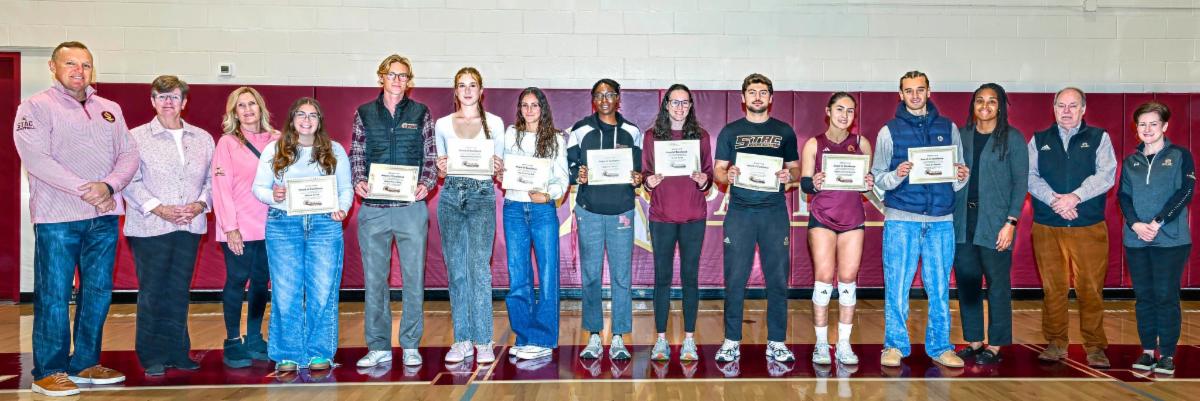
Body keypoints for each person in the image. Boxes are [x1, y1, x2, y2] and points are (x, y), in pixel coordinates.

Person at [14, 41, 137, 397]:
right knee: (54, 294)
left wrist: (110, 186)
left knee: (97, 293)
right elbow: (36, 159)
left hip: (104, 216)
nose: (79, 70)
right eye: (70, 63)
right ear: (52, 67)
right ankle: (49, 371)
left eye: (85, 64)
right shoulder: (35, 107)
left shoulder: (110, 109)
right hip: (58, 218)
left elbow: (129, 154)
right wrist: (88, 188)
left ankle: (84, 363)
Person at [871, 70, 969, 368]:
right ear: (900, 94)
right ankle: (894, 345)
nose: (915, 95)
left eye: (920, 89)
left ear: (929, 91)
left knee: (939, 287)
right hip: (902, 219)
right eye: (908, 90)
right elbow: (877, 178)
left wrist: (961, 177)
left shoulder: (948, 127)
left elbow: (957, 173)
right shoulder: (888, 131)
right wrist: (897, 175)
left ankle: (940, 346)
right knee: (897, 285)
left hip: (941, 221)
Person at [252, 97, 353, 373]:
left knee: (322, 291)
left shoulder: (334, 151)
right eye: (301, 115)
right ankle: (288, 353)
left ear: (320, 121)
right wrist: (273, 195)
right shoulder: (276, 149)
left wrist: (342, 209)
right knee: (286, 292)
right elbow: (258, 188)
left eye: (313, 115)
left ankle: (320, 352)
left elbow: (346, 189)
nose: (306, 120)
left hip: (324, 225)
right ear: (292, 119)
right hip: (284, 224)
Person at [123, 75, 214, 376]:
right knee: (153, 290)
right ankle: (151, 355)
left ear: (184, 102)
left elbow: (213, 181)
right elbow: (128, 182)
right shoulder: (135, 137)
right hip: (150, 227)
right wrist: (161, 209)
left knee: (178, 290)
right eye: (161, 97)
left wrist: (200, 204)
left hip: (189, 226)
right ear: (152, 101)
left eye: (174, 96)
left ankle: (178, 351)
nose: (167, 102)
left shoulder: (202, 138)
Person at [351, 55, 438, 369]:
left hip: (411, 210)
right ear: (381, 78)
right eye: (392, 75)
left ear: (409, 81)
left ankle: (411, 344)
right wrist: (358, 180)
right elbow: (357, 153)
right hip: (373, 210)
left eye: (403, 76)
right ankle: (378, 346)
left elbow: (430, 155)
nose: (397, 80)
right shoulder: (364, 113)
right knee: (375, 281)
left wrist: (427, 183)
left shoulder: (420, 113)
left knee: (413, 280)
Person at [713, 73, 801, 364]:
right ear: (743, 98)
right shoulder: (730, 131)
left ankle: (776, 341)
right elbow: (718, 172)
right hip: (740, 213)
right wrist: (729, 175)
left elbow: (796, 170)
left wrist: (791, 175)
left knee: (777, 280)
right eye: (752, 92)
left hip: (773, 212)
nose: (758, 97)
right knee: (735, 279)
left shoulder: (784, 131)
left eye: (763, 92)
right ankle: (731, 340)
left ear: (771, 98)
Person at [1027, 87, 1117, 368]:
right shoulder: (1039, 140)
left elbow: (1106, 175)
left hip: (1087, 225)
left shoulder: (1099, 138)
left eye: (1072, 105)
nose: (1066, 111)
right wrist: (1055, 200)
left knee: (1090, 288)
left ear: (1083, 109)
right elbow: (1029, 176)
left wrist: (1074, 197)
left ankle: (1094, 346)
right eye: (1061, 106)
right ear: (1053, 108)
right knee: (1053, 288)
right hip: (1047, 225)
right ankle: (1055, 342)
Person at [568, 78, 644, 361]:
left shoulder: (632, 132)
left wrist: (638, 177)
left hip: (622, 211)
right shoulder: (580, 129)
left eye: (609, 94)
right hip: (589, 211)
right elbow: (568, 166)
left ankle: (619, 337)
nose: (604, 99)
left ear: (618, 98)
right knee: (591, 276)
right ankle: (594, 335)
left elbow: (639, 171)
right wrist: (579, 175)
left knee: (622, 277)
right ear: (593, 99)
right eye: (599, 95)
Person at [952, 83, 1027, 365]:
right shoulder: (961, 136)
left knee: (997, 285)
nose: (985, 106)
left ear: (1000, 106)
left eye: (992, 101)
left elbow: (1021, 183)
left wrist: (1011, 222)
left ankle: (995, 344)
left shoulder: (1013, 138)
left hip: (996, 223)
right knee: (968, 284)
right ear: (973, 105)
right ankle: (973, 340)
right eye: (980, 101)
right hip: (963, 223)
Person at [434, 67, 505, 364]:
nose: (467, 90)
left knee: (479, 268)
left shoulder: (495, 123)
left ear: (481, 90)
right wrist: (441, 167)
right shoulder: (442, 125)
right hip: (450, 195)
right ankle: (462, 338)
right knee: (457, 270)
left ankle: (483, 340)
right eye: (461, 85)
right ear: (455, 90)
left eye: (472, 85)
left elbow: (498, 166)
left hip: (481, 194)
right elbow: (441, 164)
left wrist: (499, 166)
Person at [1118, 101, 1193, 375]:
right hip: (1137, 239)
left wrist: (1158, 221)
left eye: (1153, 124)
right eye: (1142, 124)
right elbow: (1123, 196)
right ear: (1136, 128)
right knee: (1145, 297)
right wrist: (1136, 224)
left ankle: (1168, 354)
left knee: (1166, 296)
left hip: (1171, 241)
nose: (1147, 129)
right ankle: (1148, 351)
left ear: (1165, 126)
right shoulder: (1131, 161)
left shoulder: (1180, 155)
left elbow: (1186, 191)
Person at [799, 92, 873, 366]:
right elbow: (805, 183)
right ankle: (821, 344)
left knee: (848, 279)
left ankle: (843, 344)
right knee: (823, 277)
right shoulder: (814, 144)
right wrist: (814, 182)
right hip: (822, 219)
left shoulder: (861, 142)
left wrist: (868, 181)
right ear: (828, 111)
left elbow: (868, 183)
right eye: (839, 109)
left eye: (850, 111)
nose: (845, 115)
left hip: (853, 219)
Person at [642, 84, 713, 362]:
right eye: (675, 102)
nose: (680, 107)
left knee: (690, 279)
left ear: (691, 106)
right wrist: (649, 181)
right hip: (661, 216)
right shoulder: (652, 137)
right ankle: (660, 340)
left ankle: (689, 340)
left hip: (694, 216)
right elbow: (646, 173)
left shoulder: (701, 136)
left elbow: (708, 173)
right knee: (662, 279)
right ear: (666, 105)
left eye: (685, 103)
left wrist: (703, 180)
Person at [212, 86, 279, 368]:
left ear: (261, 108)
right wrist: (230, 227)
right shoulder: (227, 143)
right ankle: (232, 341)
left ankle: (254, 337)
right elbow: (220, 187)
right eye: (242, 106)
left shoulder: (278, 139)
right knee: (237, 282)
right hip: (238, 226)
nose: (248, 109)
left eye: (252, 104)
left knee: (262, 283)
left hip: (272, 225)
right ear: (234, 112)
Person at [500, 87, 569, 361]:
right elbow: (502, 168)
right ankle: (525, 335)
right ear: (520, 109)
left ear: (543, 108)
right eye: (525, 105)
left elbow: (562, 179)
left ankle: (543, 338)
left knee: (548, 274)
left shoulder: (554, 139)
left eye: (534, 105)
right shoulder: (510, 135)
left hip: (542, 210)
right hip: (514, 209)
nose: (529, 110)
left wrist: (549, 194)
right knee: (518, 276)